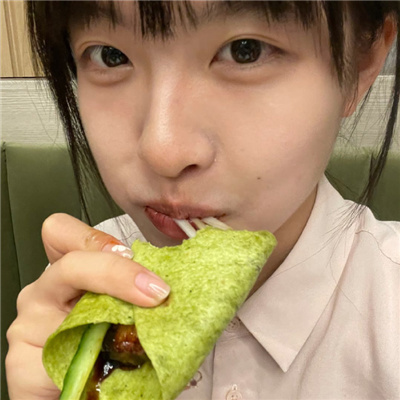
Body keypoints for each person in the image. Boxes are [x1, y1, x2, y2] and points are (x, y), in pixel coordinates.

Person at [5, 1, 400, 399]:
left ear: (361, 63)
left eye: (246, 51)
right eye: (110, 55)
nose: (163, 151)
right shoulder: (82, 293)